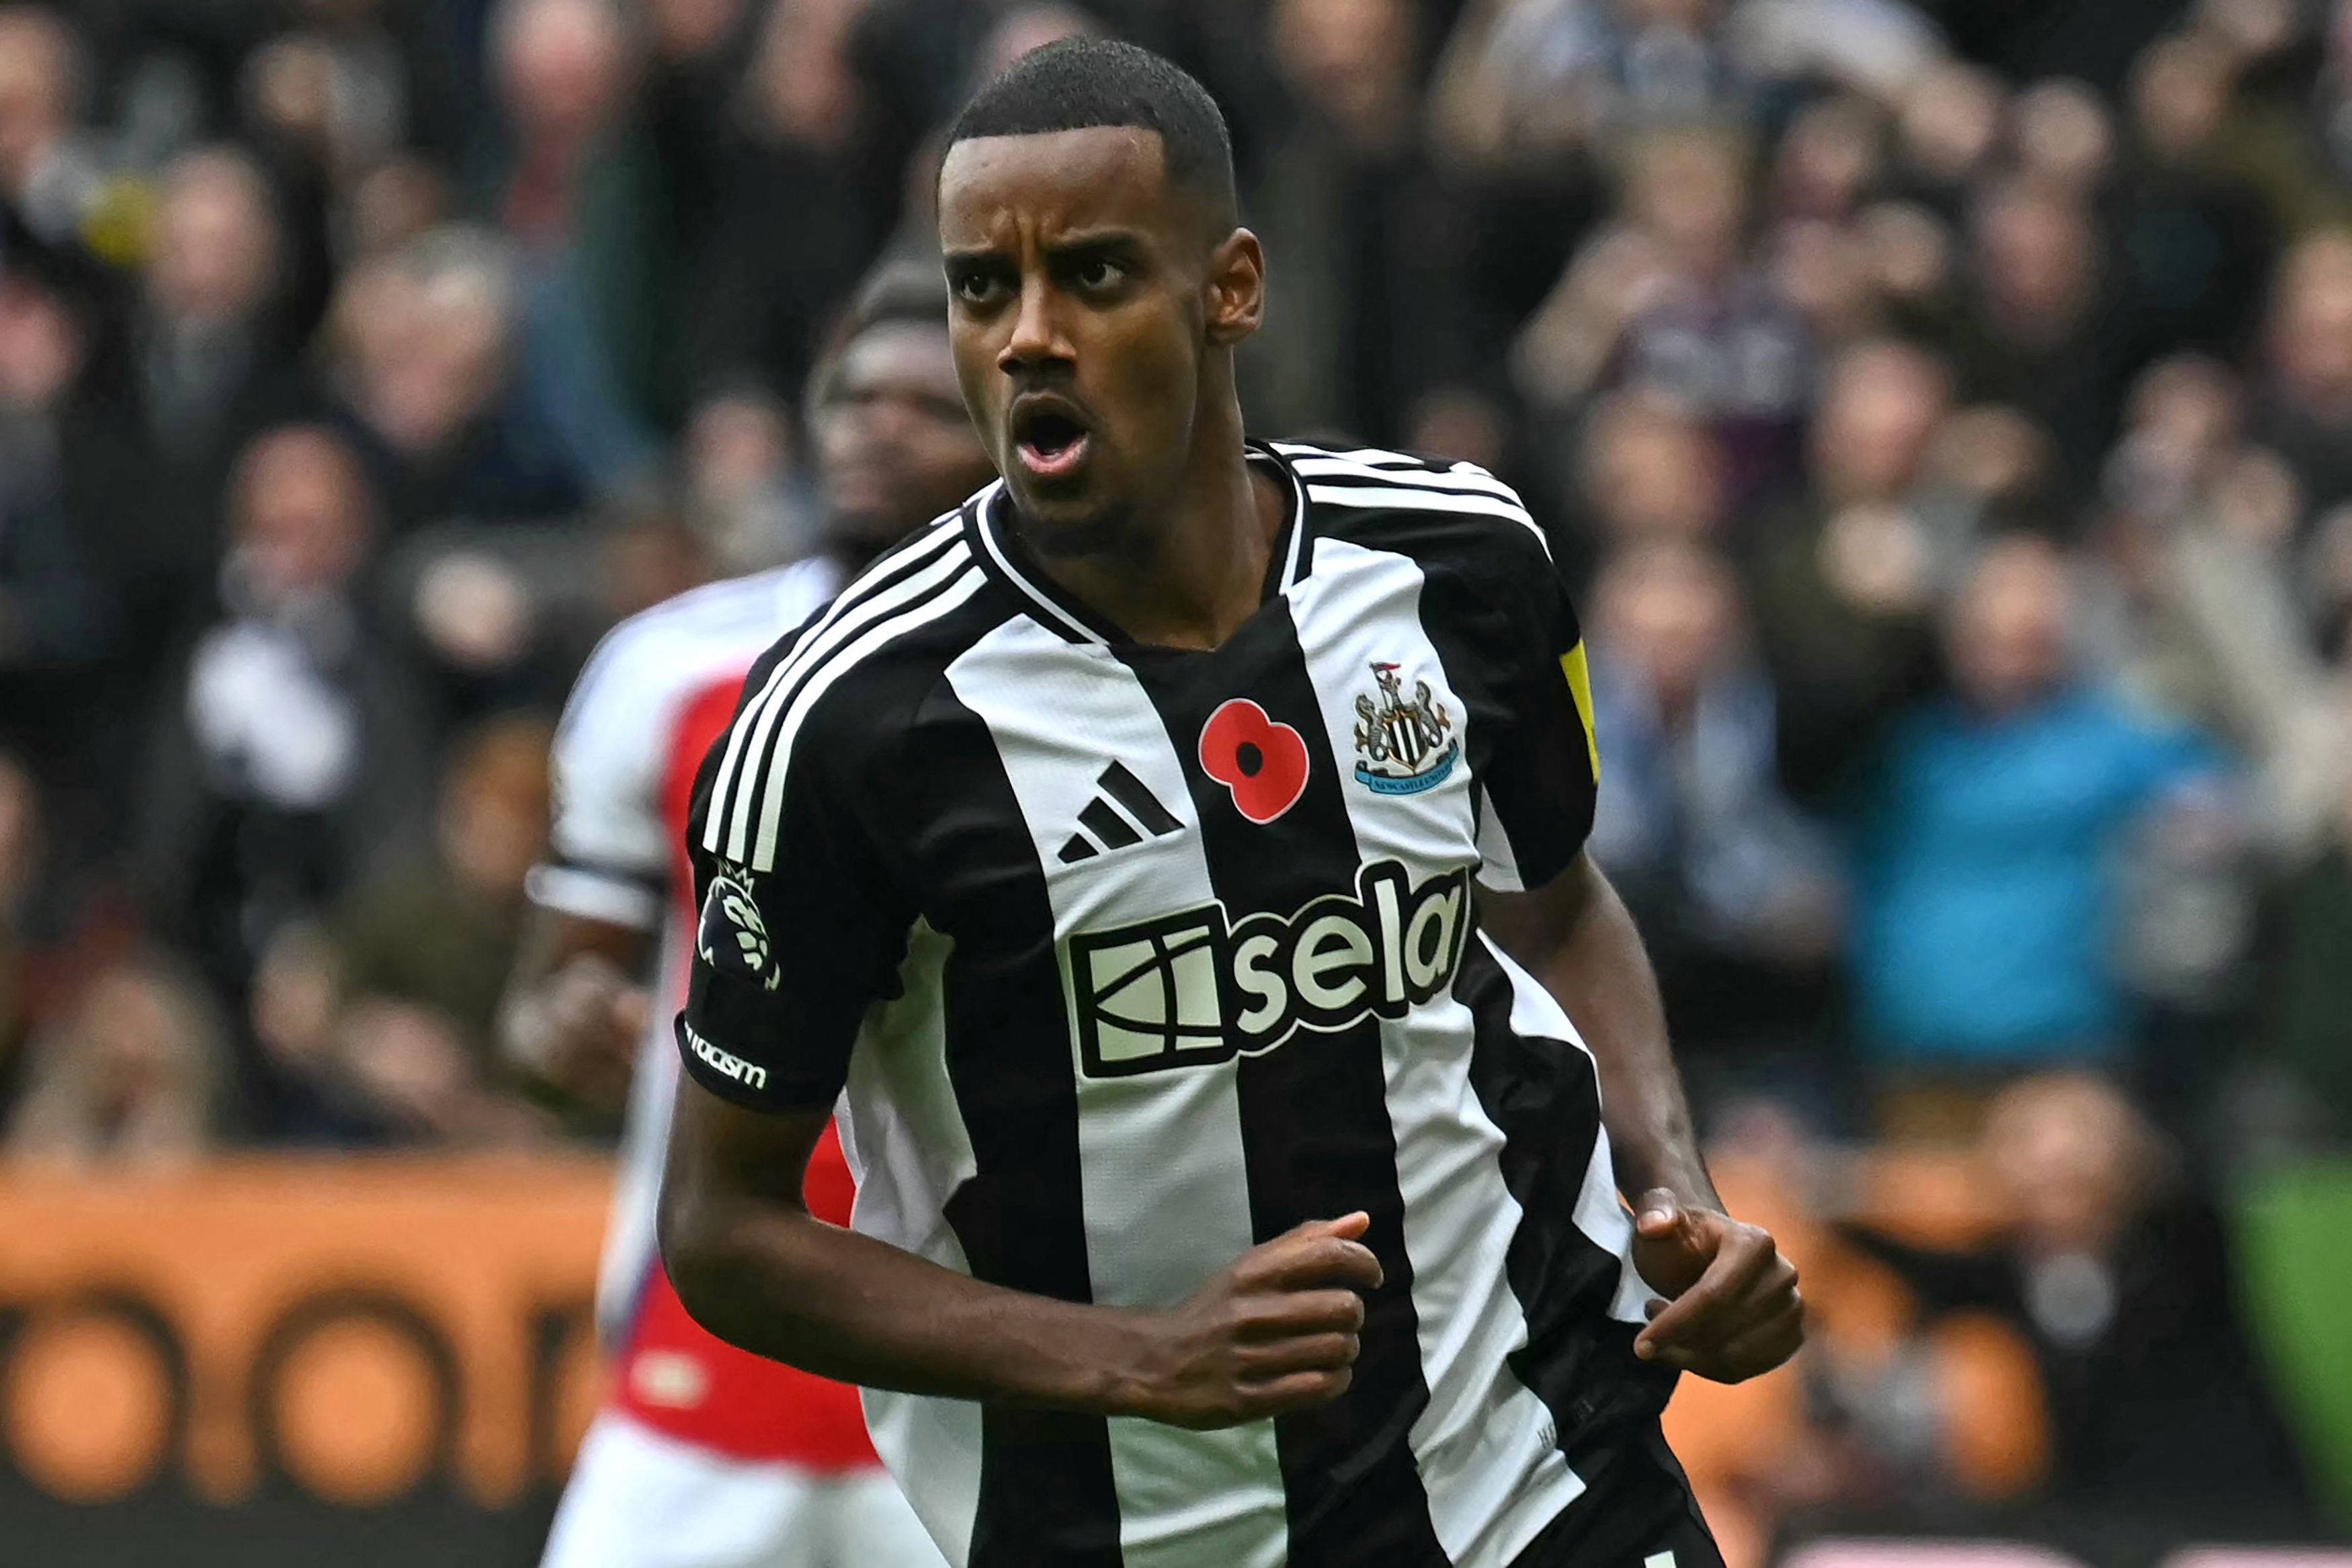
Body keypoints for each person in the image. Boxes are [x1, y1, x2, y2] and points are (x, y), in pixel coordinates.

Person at [657, 40, 1800, 1568]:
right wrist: (1137, 1358)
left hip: (1537, 1469)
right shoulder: (848, 718)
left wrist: (1677, 1195)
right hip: (1128, 1534)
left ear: (1232, 287)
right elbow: (721, 1235)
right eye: (982, 290)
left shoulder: (1461, 563)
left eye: (1097, 275)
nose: (1028, 340)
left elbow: (1559, 898)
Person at [508, 261, 994, 1568]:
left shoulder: (1088, 696)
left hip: (991, 1365)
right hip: (706, 1338)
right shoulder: (668, 669)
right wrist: (570, 1029)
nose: (874, 426)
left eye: (924, 405)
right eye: (851, 399)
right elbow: (551, 998)